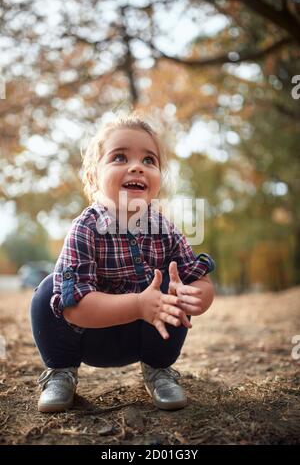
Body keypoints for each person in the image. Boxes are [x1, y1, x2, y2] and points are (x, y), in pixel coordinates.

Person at [30, 114, 215, 413]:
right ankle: (60, 373)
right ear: (93, 177)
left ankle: (159, 369)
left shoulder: (165, 229)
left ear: (157, 179)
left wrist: (198, 296)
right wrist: (139, 304)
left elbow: (199, 278)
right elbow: (75, 308)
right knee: (49, 290)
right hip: (86, 335)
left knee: (174, 286)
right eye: (119, 157)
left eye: (149, 160)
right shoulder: (85, 228)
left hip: (145, 336)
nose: (137, 166)